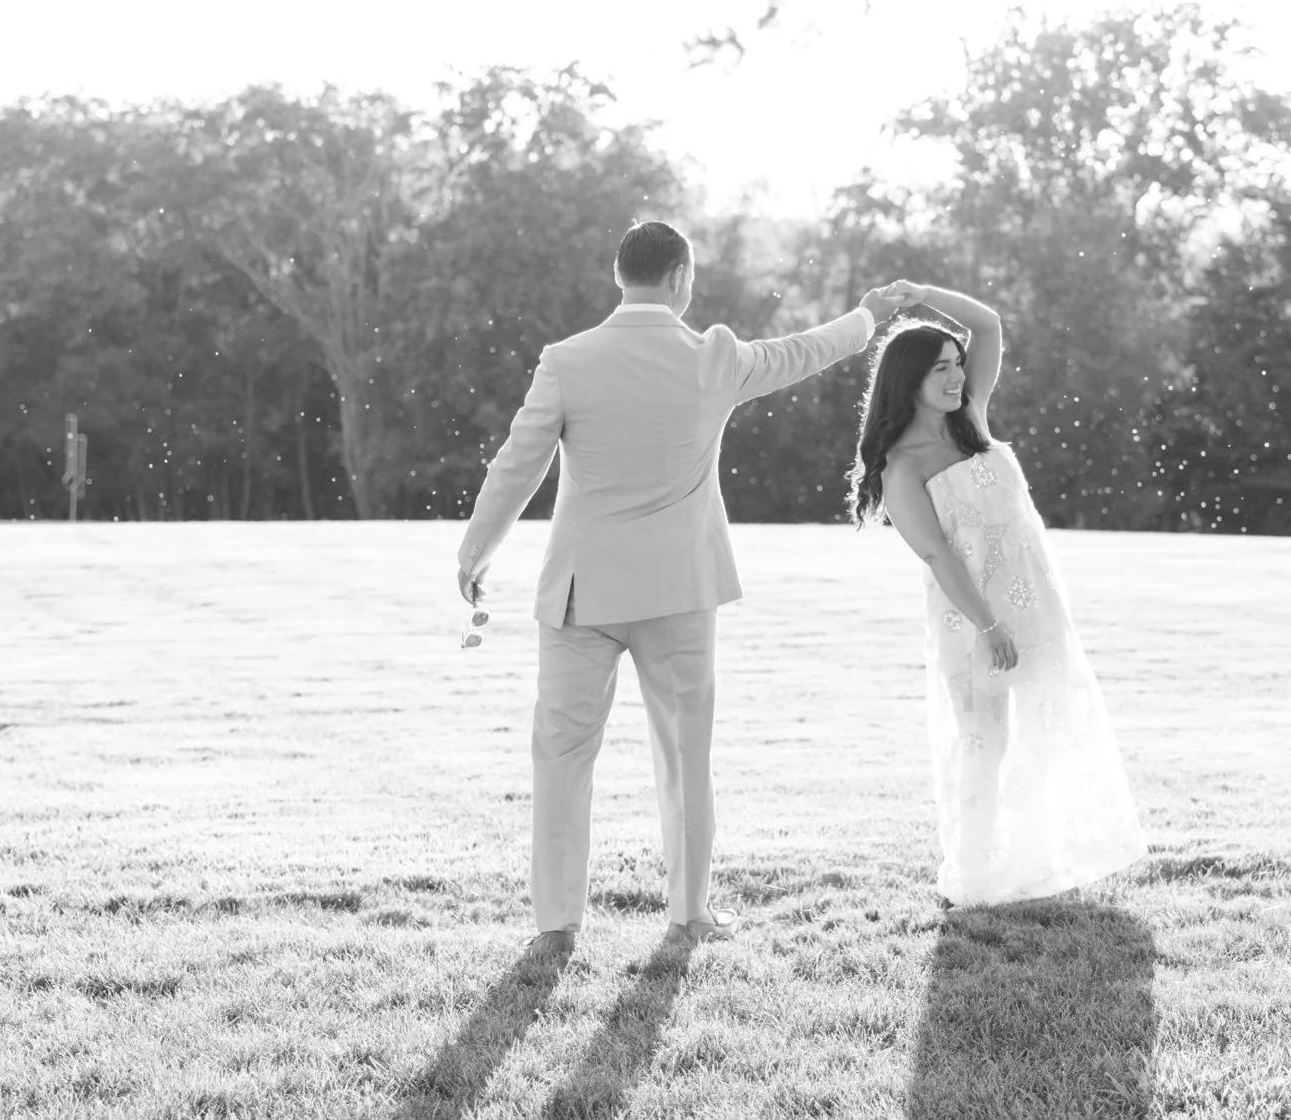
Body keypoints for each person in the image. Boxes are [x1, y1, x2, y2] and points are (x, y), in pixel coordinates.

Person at [457, 220, 905, 953]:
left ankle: (555, 926)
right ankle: (689, 912)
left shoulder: (566, 360)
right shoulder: (714, 358)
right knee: (684, 754)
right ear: (681, 278)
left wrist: (477, 550)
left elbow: (517, 463)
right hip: (678, 592)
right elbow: (805, 352)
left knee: (561, 757)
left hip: (580, 596)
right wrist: (867, 316)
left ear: (618, 274)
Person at [850, 281, 1145, 906]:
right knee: (986, 742)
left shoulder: (973, 420)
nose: (957, 378)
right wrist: (989, 626)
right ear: (909, 380)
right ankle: (975, 876)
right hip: (972, 622)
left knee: (1048, 729)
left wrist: (919, 294)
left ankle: (1040, 860)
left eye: (957, 366)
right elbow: (936, 555)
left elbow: (987, 326)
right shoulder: (903, 466)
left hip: (1036, 605)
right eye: (941, 370)